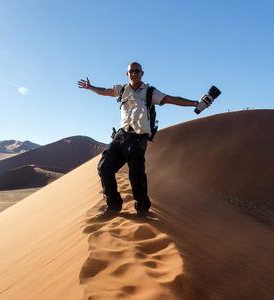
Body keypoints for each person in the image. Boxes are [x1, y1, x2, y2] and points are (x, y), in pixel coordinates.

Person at [78, 62, 199, 219]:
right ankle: (113, 206)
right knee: (104, 167)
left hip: (138, 138)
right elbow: (105, 92)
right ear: (127, 74)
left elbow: (172, 99)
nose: (134, 74)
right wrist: (91, 87)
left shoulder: (150, 92)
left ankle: (142, 207)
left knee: (136, 173)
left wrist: (195, 103)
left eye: (137, 71)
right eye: (131, 71)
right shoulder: (122, 89)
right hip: (121, 136)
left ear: (142, 73)